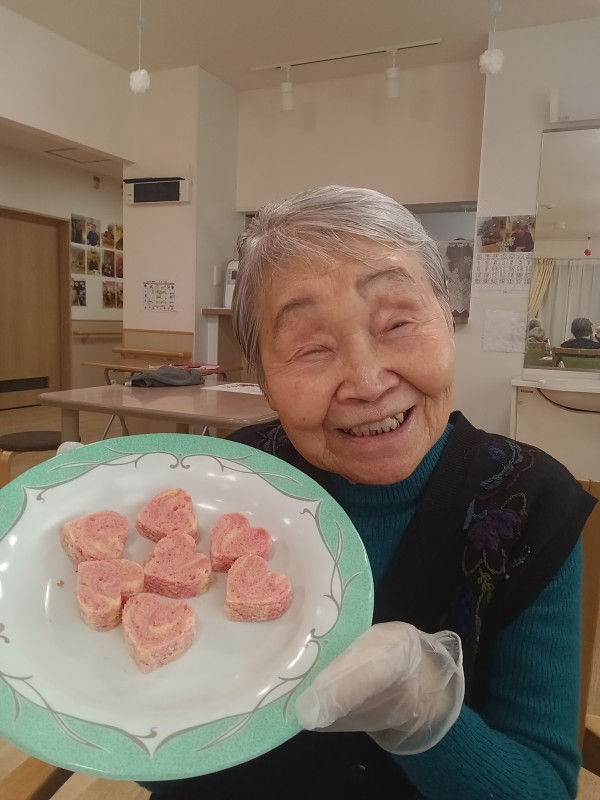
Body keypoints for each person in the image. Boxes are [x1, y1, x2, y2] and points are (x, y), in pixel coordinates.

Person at [139, 186, 595, 800]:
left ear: (448, 318)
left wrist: (426, 718)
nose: (367, 381)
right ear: (262, 378)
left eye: (398, 323)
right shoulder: (235, 484)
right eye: (311, 347)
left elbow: (544, 788)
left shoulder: (529, 504)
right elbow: (161, 763)